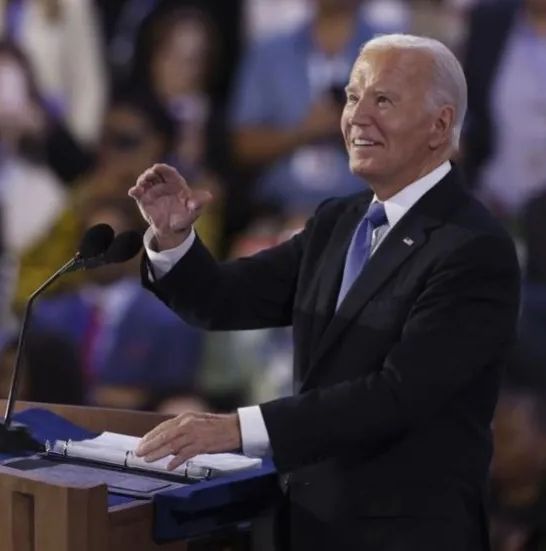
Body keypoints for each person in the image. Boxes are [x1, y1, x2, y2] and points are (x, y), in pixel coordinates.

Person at [129, 33, 522, 550]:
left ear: (440, 125)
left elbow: (397, 394)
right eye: (352, 97)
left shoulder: (473, 248)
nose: (357, 117)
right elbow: (223, 299)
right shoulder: (338, 221)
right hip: (306, 527)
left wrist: (238, 428)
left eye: (382, 100)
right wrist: (173, 239)